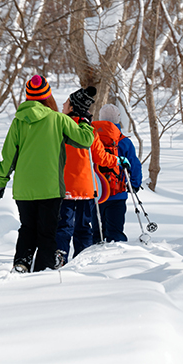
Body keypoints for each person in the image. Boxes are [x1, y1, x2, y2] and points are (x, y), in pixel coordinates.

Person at [0, 75, 94, 273]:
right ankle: (42, 270)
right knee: (47, 233)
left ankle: (22, 262)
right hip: (50, 187)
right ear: (48, 97)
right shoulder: (58, 119)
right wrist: (84, 121)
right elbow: (85, 140)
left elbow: (8, 156)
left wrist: (0, 182)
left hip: (24, 189)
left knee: (27, 228)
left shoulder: (18, 122)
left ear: (28, 97)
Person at [54, 86, 124, 266]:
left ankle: (60, 256)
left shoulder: (60, 127)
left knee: (63, 226)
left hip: (64, 187)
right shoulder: (89, 130)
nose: (63, 104)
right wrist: (117, 161)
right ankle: (82, 260)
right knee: (84, 227)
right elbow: (101, 157)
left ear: (71, 108)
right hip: (86, 188)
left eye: (66, 102)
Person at [92, 104, 142, 243]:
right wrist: (134, 184)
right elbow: (135, 165)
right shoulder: (123, 141)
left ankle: (93, 256)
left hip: (96, 192)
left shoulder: (90, 137)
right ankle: (116, 259)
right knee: (115, 232)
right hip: (117, 192)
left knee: (96, 232)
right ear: (117, 120)